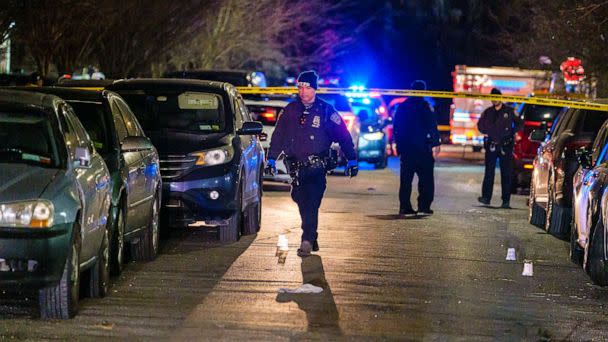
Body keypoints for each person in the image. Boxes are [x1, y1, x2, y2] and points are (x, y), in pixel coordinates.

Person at [266, 70, 358, 257]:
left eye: (307, 87)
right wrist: (271, 158)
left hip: (317, 168)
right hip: (296, 169)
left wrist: (352, 159)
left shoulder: (326, 111)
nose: (302, 91)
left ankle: (306, 240)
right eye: (300, 87)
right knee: (300, 200)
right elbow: (278, 136)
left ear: (314, 89)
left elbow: (344, 136)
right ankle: (311, 234)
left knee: (312, 202)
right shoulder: (290, 110)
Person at [393, 80, 441, 217]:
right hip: (422, 149)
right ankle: (424, 206)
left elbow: (397, 127)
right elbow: (433, 125)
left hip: (408, 149)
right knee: (426, 180)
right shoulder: (426, 107)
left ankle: (405, 207)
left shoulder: (403, 107)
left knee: (406, 181)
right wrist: (436, 142)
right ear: (423, 91)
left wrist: (397, 144)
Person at [477, 88, 523, 208]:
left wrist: (512, 133)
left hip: (505, 146)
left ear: (500, 97)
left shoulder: (509, 111)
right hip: (492, 145)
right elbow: (480, 125)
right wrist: (488, 132)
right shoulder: (488, 112)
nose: (494, 100)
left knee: (506, 173)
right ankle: (486, 198)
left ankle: (506, 200)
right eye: (492, 97)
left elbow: (519, 124)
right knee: (489, 173)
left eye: (496, 97)